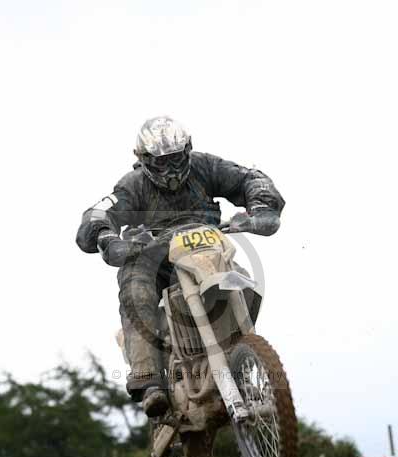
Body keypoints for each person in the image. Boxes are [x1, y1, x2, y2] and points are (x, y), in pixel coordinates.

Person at [76, 116, 285, 417]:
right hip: (154, 260)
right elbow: (98, 213)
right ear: (144, 159)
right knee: (135, 288)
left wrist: (261, 206)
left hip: (207, 251)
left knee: (240, 276)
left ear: (187, 150)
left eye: (176, 159)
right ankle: (148, 377)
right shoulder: (132, 185)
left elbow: (251, 178)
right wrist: (106, 237)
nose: (171, 169)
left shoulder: (207, 167)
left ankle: (243, 353)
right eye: (161, 162)